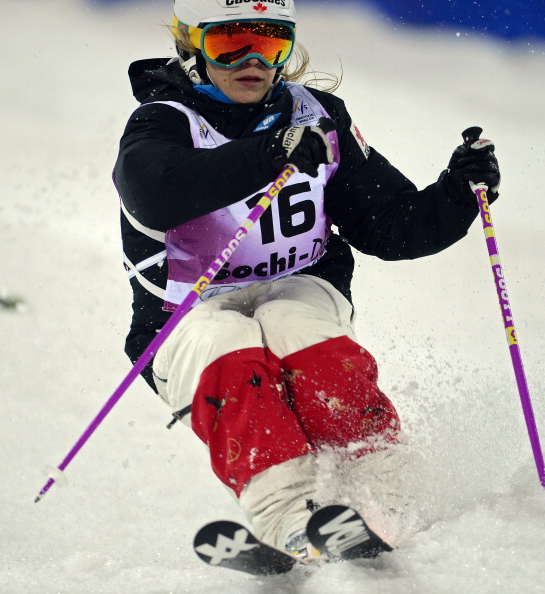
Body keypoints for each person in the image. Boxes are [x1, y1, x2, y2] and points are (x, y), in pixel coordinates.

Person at [113, 0, 500, 560]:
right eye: (229, 43)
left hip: (299, 286)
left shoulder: (317, 115)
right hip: (185, 314)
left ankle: (386, 491)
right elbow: (155, 191)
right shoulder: (161, 121)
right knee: (229, 342)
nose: (253, 60)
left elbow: (389, 227)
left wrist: (456, 195)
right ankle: (286, 517)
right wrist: (266, 156)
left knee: (291, 323)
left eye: (271, 43)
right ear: (191, 45)